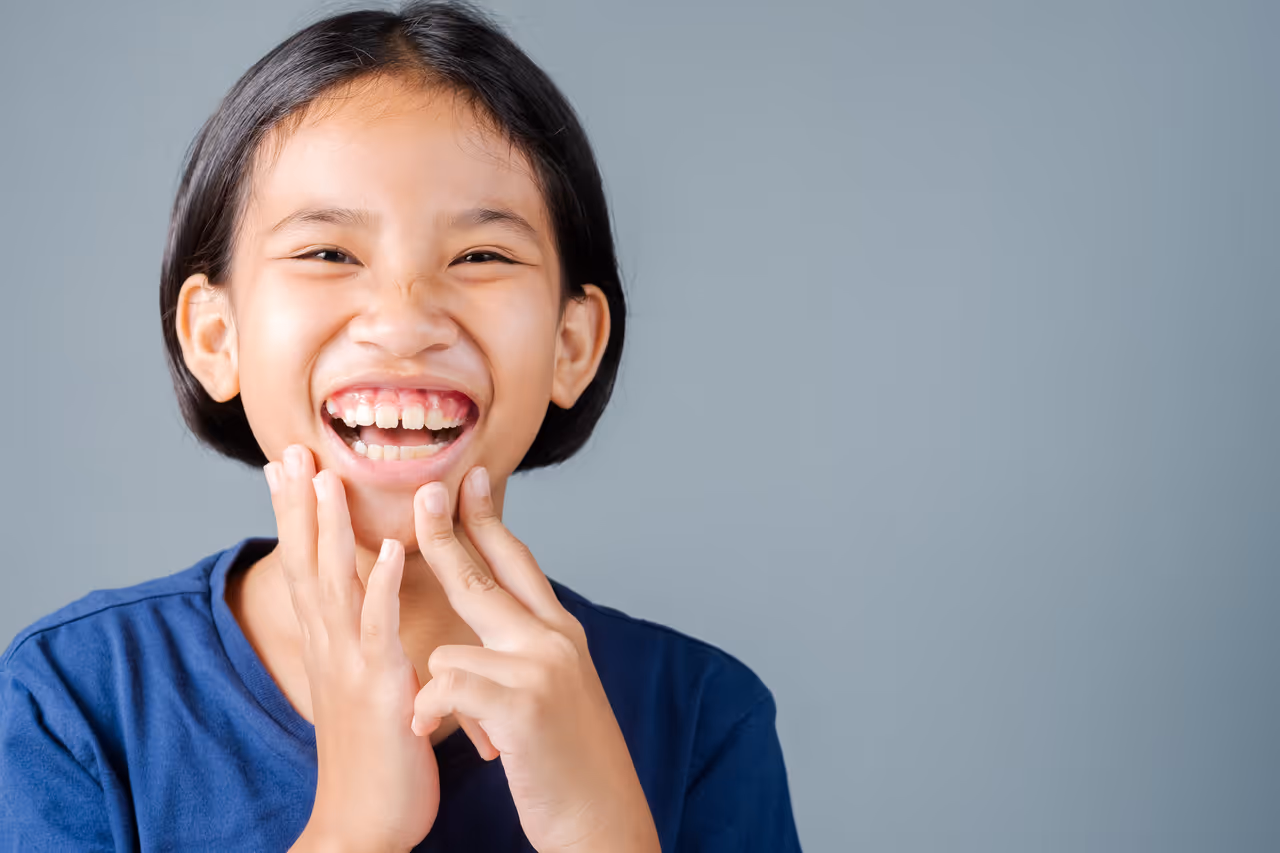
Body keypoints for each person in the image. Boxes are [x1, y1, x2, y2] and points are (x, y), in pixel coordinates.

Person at [0, 2, 802, 850]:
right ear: (214, 336)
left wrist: (596, 823)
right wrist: (356, 824)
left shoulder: (704, 714)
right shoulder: (74, 699)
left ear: (573, 344)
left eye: (481, 256)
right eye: (328, 253)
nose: (405, 320)